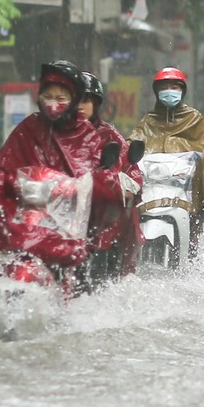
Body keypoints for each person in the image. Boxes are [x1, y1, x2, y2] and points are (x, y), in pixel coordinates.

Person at [0, 61, 141, 282]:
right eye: (48, 97)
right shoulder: (28, 129)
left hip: (79, 226)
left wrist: (108, 188)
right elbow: (5, 166)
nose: (54, 105)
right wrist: (0, 180)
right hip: (33, 221)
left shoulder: (94, 136)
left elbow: (109, 179)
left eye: (61, 98)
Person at [132, 65, 204, 245]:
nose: (169, 92)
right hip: (154, 181)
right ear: (156, 91)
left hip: (185, 184)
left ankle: (191, 244)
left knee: (194, 220)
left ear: (182, 90)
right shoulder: (149, 121)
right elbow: (133, 143)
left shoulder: (194, 119)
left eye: (174, 87)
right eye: (164, 88)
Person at [76, 71, 142, 278]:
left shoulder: (110, 136)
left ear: (96, 103)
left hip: (100, 215)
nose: (80, 105)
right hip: (58, 209)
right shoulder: (48, 132)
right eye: (75, 99)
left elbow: (131, 171)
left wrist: (125, 185)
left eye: (86, 100)